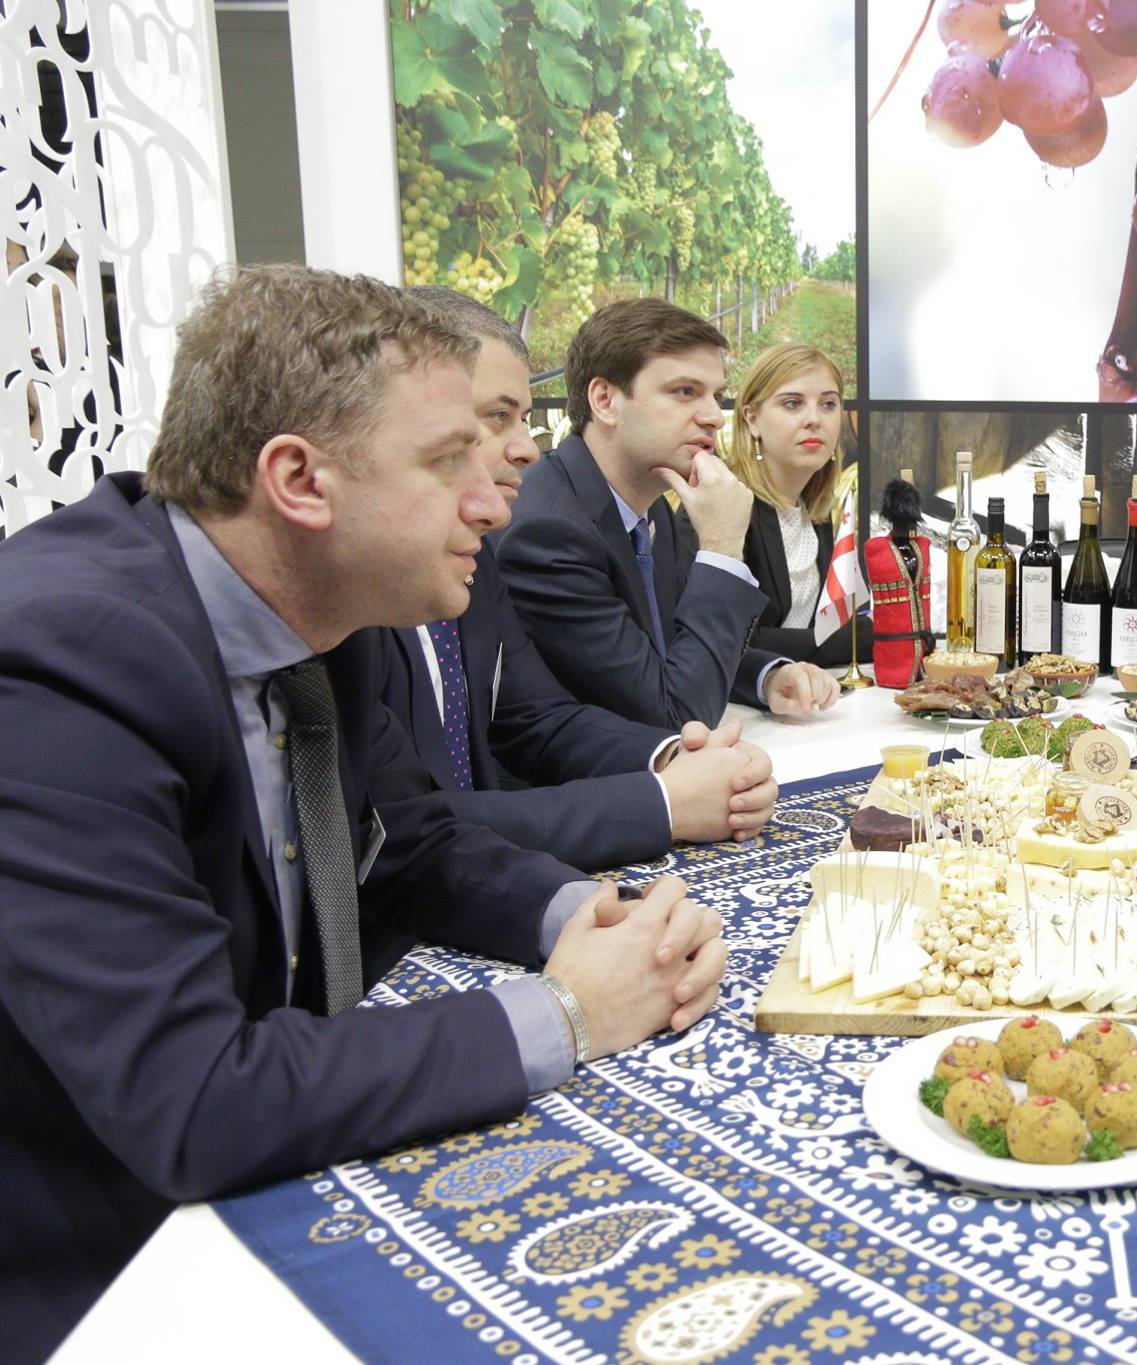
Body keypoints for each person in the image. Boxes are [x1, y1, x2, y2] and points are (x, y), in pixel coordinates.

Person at [0, 266, 726, 1358]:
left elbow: (410, 842)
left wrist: (586, 915)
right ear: (299, 480)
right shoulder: (59, 666)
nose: (493, 500)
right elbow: (192, 1099)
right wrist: (569, 1013)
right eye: (447, 461)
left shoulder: (316, 610)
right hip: (109, 1277)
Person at [375, 288, 777, 874]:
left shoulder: (650, 516)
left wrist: (671, 758)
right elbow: (395, 827)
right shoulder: (541, 528)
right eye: (496, 417)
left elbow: (535, 717)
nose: (527, 449)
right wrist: (665, 800)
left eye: (715, 395)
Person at [494, 298, 841, 730]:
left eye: (716, 395)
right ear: (605, 400)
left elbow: (675, 647)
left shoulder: (650, 504)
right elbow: (674, 711)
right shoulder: (548, 532)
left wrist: (766, 676)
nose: (715, 417)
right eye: (684, 392)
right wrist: (722, 549)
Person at [724, 341, 865, 666]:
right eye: (792, 404)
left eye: (828, 404)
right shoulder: (725, 504)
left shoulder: (814, 510)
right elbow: (736, 641)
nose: (814, 419)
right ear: (752, 419)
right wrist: (866, 638)